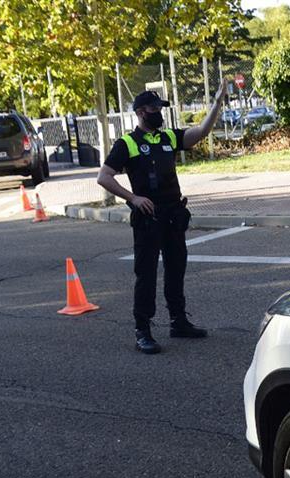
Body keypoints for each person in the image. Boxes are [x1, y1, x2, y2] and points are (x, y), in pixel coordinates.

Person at [96, 82, 229, 354]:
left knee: (176, 268)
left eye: (160, 108)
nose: (159, 112)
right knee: (146, 274)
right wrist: (132, 198)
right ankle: (142, 330)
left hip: (173, 215)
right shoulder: (128, 143)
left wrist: (216, 103)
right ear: (141, 112)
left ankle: (178, 322)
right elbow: (104, 177)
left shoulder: (168, 137)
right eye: (155, 108)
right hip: (148, 217)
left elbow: (201, 132)